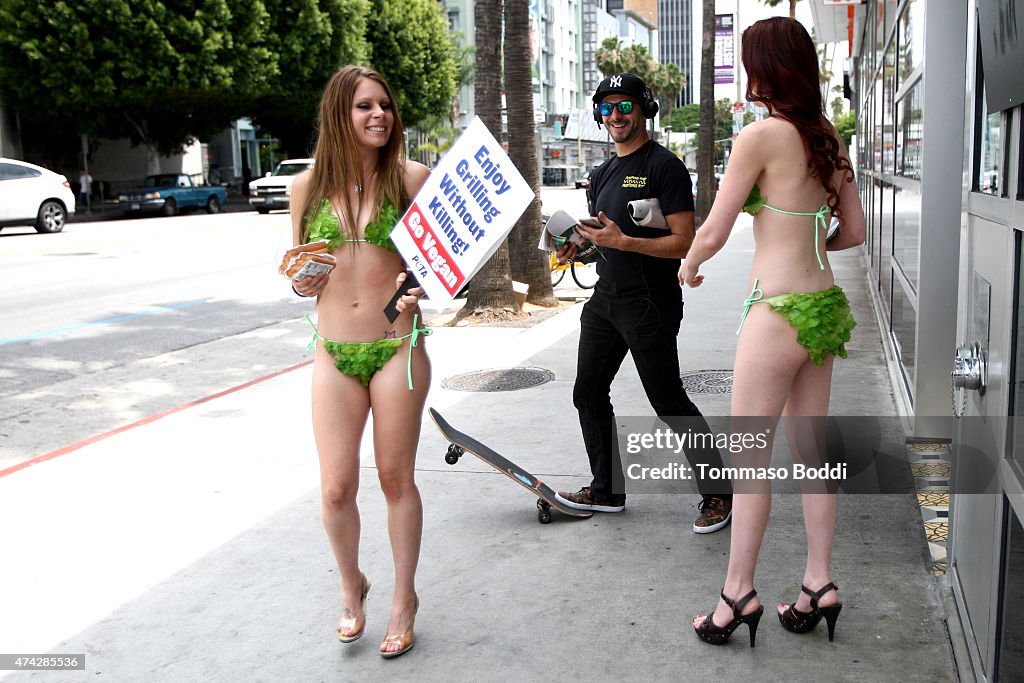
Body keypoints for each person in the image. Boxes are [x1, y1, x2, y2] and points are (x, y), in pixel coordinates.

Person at [680, 17, 866, 647]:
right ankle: (819, 583)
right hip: (822, 307)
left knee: (749, 461)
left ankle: (738, 596)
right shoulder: (827, 140)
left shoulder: (760, 137)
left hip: (777, 312)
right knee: (813, 456)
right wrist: (808, 236)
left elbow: (715, 225)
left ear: (767, 68)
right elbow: (855, 233)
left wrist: (689, 263)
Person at [289, 65, 431, 659]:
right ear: (338, 116)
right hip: (333, 352)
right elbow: (301, 278)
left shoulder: (412, 179)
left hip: (397, 347)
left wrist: (427, 284)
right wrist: (302, 277)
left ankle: (404, 598)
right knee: (336, 486)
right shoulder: (305, 189)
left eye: (385, 106)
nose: (378, 115)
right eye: (363, 107)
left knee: (396, 479)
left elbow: (449, 266)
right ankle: (353, 585)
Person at [554, 72, 733, 533]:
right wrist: (581, 246)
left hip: (650, 302)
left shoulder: (664, 167)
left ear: (644, 109)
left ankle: (718, 493)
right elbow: (607, 239)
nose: (616, 115)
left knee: (667, 400)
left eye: (625, 106)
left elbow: (683, 243)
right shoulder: (601, 173)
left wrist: (624, 240)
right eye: (607, 108)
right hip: (606, 298)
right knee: (588, 392)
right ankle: (607, 489)